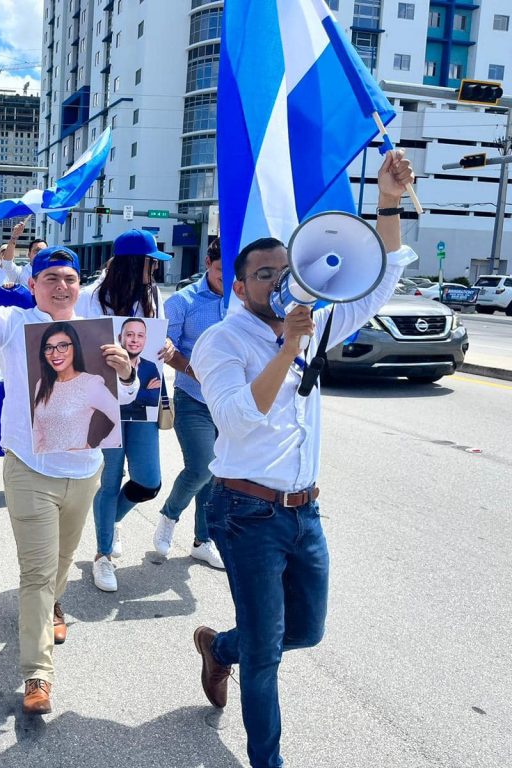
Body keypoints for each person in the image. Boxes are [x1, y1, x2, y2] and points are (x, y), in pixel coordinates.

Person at [190, 150, 416, 768]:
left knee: (306, 631)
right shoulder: (222, 340)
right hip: (245, 512)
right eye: (263, 274)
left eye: (284, 270)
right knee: (268, 656)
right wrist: (288, 345)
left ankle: (221, 648)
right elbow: (238, 417)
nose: (277, 281)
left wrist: (389, 202)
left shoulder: (316, 322)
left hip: (305, 512)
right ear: (239, 286)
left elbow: (385, 273)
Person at [0, 193, 139, 715]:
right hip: (30, 469)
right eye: (50, 278)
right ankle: (37, 676)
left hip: (86, 470)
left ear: (80, 287)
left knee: (61, 564)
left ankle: (54, 603)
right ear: (32, 286)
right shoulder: (14, 327)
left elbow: (127, 400)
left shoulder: (100, 334)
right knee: (35, 571)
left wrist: (127, 373)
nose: (61, 286)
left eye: (70, 279)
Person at [77, 229, 170, 592]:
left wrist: (165, 345)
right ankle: (102, 556)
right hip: (104, 402)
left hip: (144, 399)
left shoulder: (152, 295)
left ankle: (108, 520)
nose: (155, 271)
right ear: (137, 264)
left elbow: (154, 338)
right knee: (110, 478)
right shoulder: (91, 298)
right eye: (151, 263)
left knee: (149, 480)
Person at [155, 236, 227, 570]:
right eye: (219, 272)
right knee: (201, 466)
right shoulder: (183, 302)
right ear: (207, 266)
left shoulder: (242, 301)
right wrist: (192, 370)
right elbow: (165, 346)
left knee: (216, 473)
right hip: (193, 397)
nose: (226, 281)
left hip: (227, 402)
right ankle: (169, 516)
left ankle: (203, 540)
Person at [30, 321, 121, 453]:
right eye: (49, 347)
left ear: (75, 347)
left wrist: (97, 449)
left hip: (75, 467)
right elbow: (37, 430)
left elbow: (120, 417)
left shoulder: (90, 384)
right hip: (43, 466)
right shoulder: (42, 384)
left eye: (63, 346)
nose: (55, 354)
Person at [0, 217, 47, 287]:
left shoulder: (53, 272)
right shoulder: (21, 272)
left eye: (44, 251)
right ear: (29, 254)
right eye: (36, 251)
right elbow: (7, 263)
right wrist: (14, 236)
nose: (40, 254)